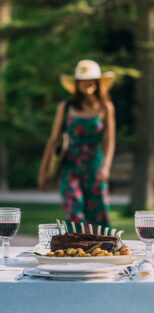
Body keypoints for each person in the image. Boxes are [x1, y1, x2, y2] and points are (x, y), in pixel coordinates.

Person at [38, 59, 116, 229]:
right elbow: (53, 139)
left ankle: (101, 253)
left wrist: (106, 167)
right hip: (70, 165)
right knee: (74, 212)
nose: (86, 83)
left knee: (98, 215)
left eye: (90, 79)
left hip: (95, 165)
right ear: (77, 83)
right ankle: (74, 252)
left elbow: (109, 140)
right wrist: (43, 171)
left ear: (97, 82)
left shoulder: (106, 107)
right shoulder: (65, 107)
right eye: (82, 79)